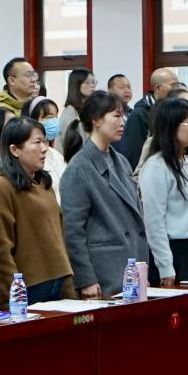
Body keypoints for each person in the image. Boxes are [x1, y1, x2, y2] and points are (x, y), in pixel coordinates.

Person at [61, 91, 151, 297]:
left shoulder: (121, 161)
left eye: (123, 116)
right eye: (116, 116)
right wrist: (86, 278)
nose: (122, 122)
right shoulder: (79, 167)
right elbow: (72, 231)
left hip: (132, 267)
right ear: (96, 120)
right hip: (105, 272)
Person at [0, 117, 73, 307]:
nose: (44, 148)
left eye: (45, 141)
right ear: (15, 150)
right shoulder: (2, 187)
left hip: (58, 283)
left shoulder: (44, 184)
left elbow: (59, 239)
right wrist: (14, 297)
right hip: (28, 289)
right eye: (37, 142)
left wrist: (69, 285)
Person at [138, 97, 188, 285]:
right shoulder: (156, 167)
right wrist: (165, 266)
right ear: (171, 125)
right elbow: (154, 221)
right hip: (174, 252)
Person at [122, 67, 178, 168]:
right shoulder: (139, 114)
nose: (176, 89)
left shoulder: (171, 110)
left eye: (177, 85)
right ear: (158, 88)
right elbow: (135, 154)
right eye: (173, 85)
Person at [23, 96, 66, 201]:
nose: (54, 122)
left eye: (56, 116)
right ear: (34, 121)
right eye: (49, 117)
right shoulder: (29, 157)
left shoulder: (56, 154)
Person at [57, 68, 96, 147]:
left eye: (93, 82)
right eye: (87, 82)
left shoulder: (91, 108)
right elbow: (69, 142)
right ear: (76, 85)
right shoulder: (70, 111)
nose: (92, 85)